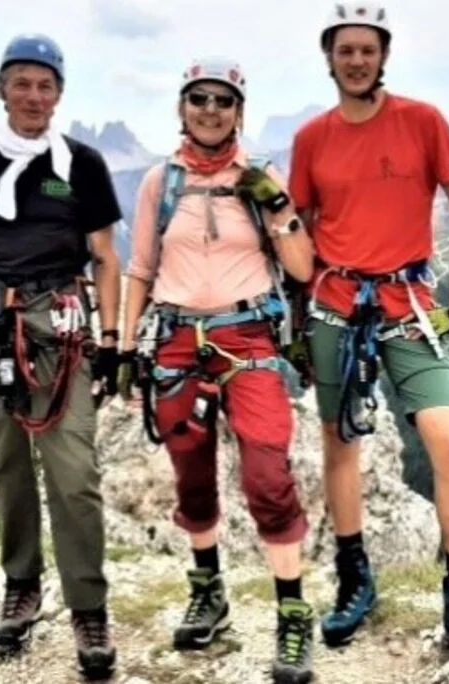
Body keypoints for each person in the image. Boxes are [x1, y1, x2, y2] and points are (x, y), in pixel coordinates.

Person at [286, 1, 449, 666]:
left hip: (406, 305)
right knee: (340, 445)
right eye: (346, 50)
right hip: (334, 305)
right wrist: (295, 324)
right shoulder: (312, 138)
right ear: (329, 57)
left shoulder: (422, 121)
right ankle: (354, 580)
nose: (357, 60)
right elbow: (299, 235)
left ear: (383, 56)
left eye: (368, 49)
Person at [0, 33, 123, 680]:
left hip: (61, 326)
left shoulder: (83, 165)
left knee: (74, 474)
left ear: (59, 94)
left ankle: (88, 608)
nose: (34, 96)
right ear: (1, 90)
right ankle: (21, 587)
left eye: (45, 86)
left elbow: (106, 257)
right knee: (7, 466)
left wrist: (112, 340)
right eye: (22, 84)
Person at [118, 56, 318, 684]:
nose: (210, 110)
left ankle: (292, 615)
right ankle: (209, 595)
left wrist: (278, 204)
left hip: (247, 338)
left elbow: (302, 267)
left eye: (222, 100)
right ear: (182, 108)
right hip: (176, 341)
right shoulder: (160, 182)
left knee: (267, 474)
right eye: (199, 98)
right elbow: (141, 269)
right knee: (191, 477)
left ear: (239, 111)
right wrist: (124, 348)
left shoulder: (262, 177)